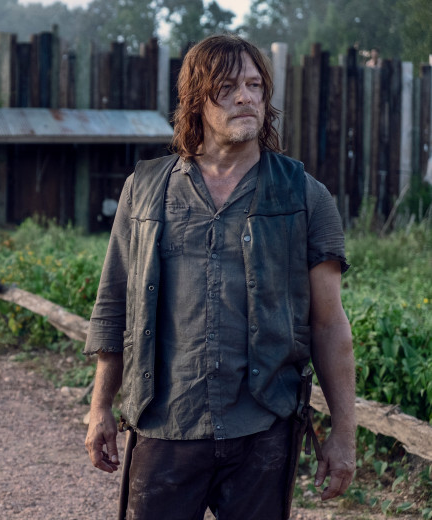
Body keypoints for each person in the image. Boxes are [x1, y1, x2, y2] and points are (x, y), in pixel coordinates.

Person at [83, 34, 356, 520]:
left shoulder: (305, 196)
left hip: (262, 427)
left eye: (254, 85)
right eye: (227, 88)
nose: (245, 98)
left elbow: (330, 324)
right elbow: (114, 303)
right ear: (196, 101)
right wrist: (100, 405)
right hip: (166, 422)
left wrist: (344, 433)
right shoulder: (144, 190)